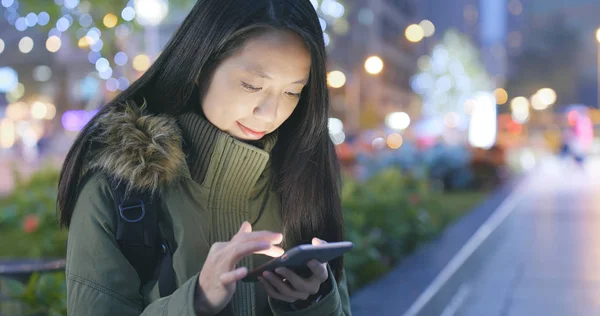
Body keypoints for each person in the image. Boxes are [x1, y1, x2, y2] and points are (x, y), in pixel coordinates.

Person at [57, 0, 351, 315]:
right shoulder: (118, 190)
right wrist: (195, 301)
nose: (270, 113)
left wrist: (313, 301)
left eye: (292, 92)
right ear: (198, 65)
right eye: (252, 85)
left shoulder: (301, 179)